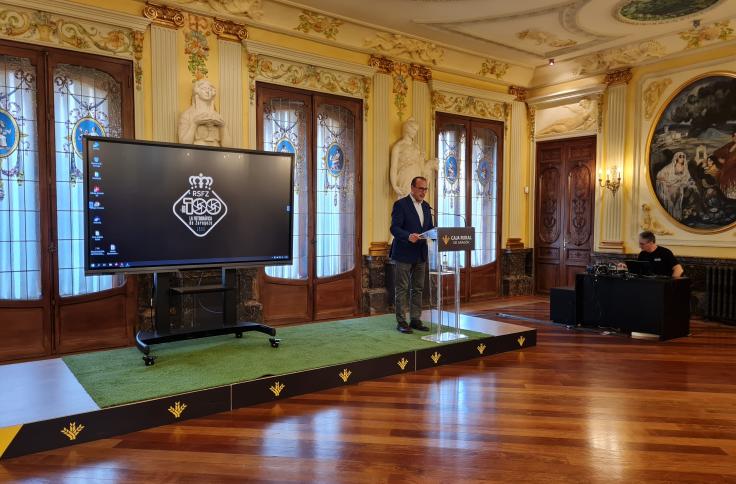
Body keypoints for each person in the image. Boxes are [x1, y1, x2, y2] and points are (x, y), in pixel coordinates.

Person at [390, 176, 434, 333]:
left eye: (425, 189)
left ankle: (415, 319)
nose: (423, 192)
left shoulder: (427, 207)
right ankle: (401, 321)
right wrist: (408, 236)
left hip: (420, 253)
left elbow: (429, 228)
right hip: (404, 252)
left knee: (418, 288)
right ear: (412, 188)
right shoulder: (401, 205)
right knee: (402, 288)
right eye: (421, 188)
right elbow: (394, 228)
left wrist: (434, 234)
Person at [390, 118, 437, 198]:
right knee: (405, 204)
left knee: (417, 204)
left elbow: (421, 167)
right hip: (405, 177)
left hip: (416, 176)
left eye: (416, 130)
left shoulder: (417, 147)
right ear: (407, 129)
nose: (415, 132)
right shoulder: (398, 146)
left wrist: (424, 160)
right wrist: (394, 185)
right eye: (414, 129)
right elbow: (393, 167)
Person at [178, 79, 232, 147]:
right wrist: (194, 124)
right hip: (196, 153)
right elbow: (184, 143)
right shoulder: (187, 115)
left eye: (209, 89)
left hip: (216, 153)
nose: (207, 91)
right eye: (204, 88)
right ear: (197, 91)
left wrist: (223, 126)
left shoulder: (218, 117)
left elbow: (228, 146)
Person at [655, 151, 691, 219]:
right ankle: (670, 214)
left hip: (679, 184)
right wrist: (666, 179)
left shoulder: (684, 167)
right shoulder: (671, 166)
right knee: (673, 192)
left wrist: (683, 181)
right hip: (669, 184)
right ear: (677, 158)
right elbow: (659, 175)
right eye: (680, 157)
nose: (682, 158)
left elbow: (687, 177)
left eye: (683, 157)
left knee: (685, 190)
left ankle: (676, 215)